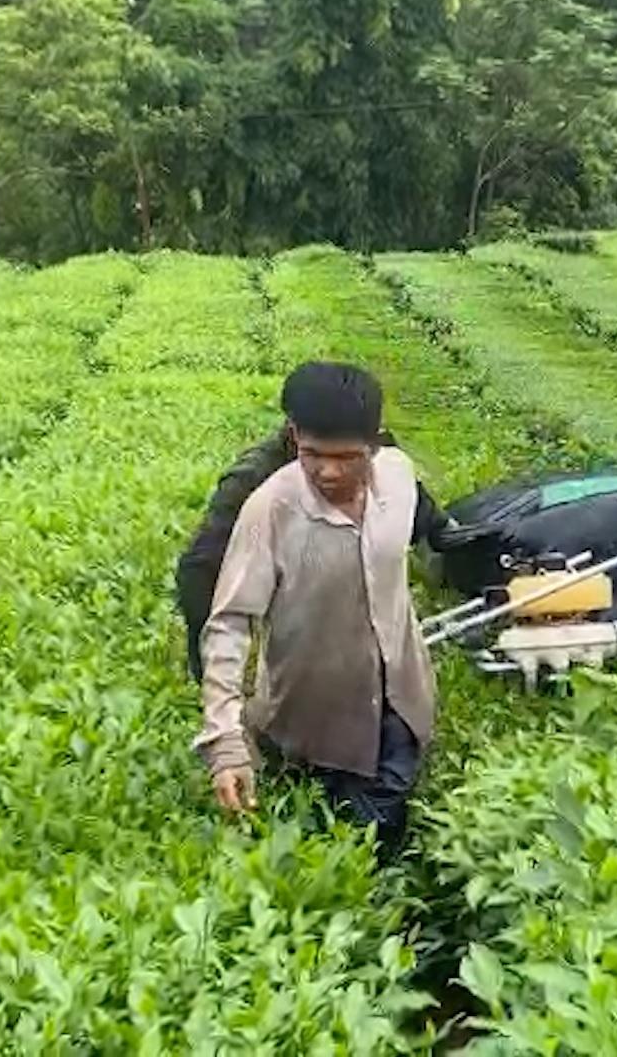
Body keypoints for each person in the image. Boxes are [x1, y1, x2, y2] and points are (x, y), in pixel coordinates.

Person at [192, 361, 438, 862]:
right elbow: (229, 624)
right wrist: (226, 742)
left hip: (400, 703)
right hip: (311, 717)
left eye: (347, 457)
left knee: (375, 835)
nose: (328, 472)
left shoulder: (400, 481)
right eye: (312, 455)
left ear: (376, 444)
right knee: (330, 847)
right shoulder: (270, 509)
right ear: (292, 436)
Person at [174, 394, 452, 684]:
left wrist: (441, 533)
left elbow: (413, 501)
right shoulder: (253, 480)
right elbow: (199, 569)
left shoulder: (375, 453)